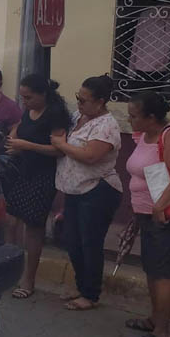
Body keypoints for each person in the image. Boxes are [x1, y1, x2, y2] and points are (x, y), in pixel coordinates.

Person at [123, 92, 170, 337]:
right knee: (152, 270)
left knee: (162, 273)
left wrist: (159, 207)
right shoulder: (145, 135)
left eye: (133, 116)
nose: (129, 120)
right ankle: (154, 319)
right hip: (146, 213)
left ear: (151, 117)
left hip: (164, 215)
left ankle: (162, 329)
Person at [50, 75, 123, 311]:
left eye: (84, 100)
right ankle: (81, 286)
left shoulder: (107, 125)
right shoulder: (78, 117)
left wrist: (61, 145)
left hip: (97, 189)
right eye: (78, 98)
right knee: (73, 240)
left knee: (90, 242)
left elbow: (91, 156)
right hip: (75, 189)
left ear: (100, 102)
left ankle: (90, 294)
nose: (79, 104)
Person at [3, 74, 71, 300]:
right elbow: (19, 130)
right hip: (22, 171)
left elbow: (58, 149)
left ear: (43, 95)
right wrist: (14, 143)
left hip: (44, 175)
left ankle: (28, 279)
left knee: (33, 226)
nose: (25, 102)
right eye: (22, 97)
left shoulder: (55, 114)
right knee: (11, 221)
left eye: (29, 97)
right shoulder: (28, 111)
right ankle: (11, 269)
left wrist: (28, 146)